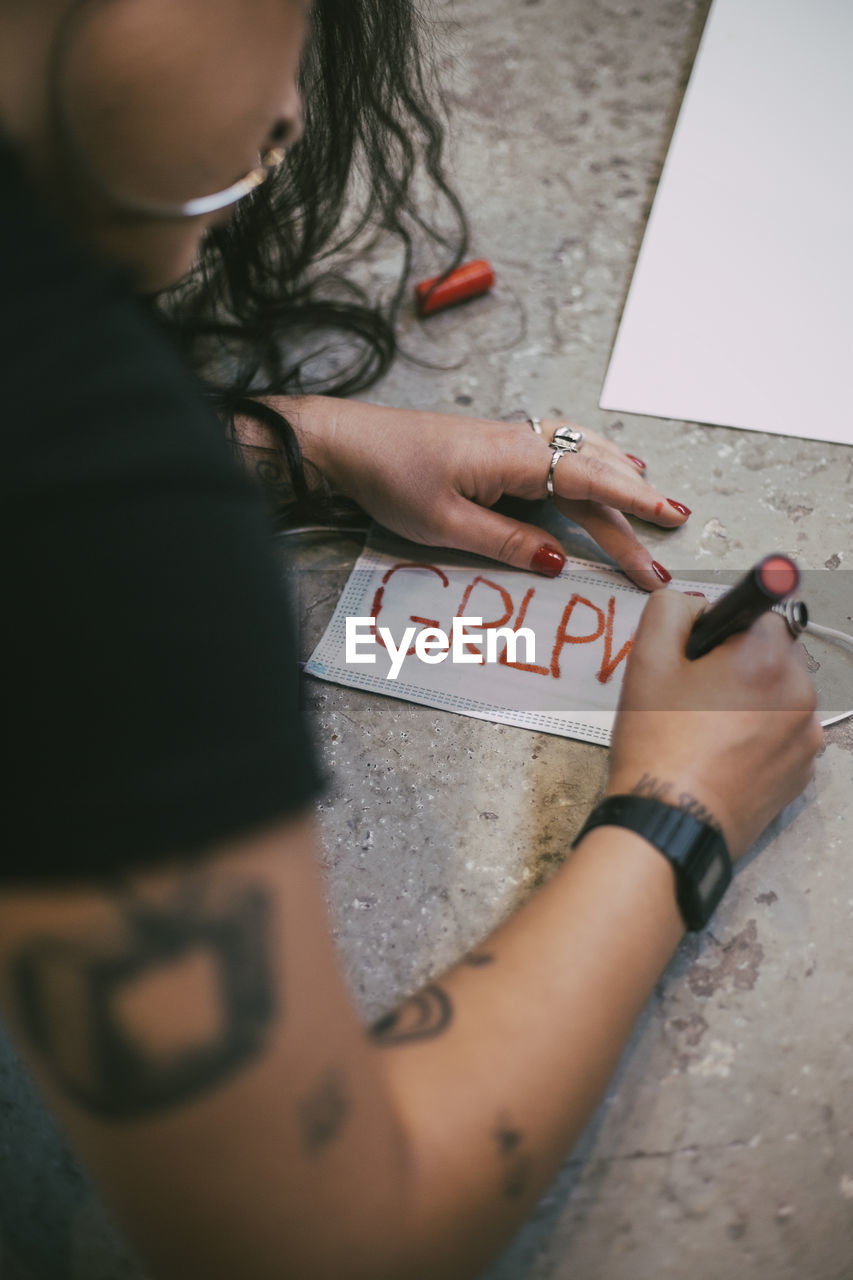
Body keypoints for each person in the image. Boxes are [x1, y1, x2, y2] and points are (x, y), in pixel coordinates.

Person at [0, 2, 821, 1279]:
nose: (293, 109)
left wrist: (290, 442)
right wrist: (679, 809)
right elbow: (307, 1240)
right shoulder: (102, 529)